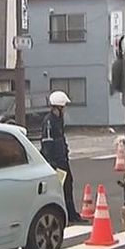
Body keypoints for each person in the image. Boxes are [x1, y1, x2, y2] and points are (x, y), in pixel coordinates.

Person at [40, 90, 85, 224]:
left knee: (68, 185)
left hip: (63, 159)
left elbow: (61, 139)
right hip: (56, 162)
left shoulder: (59, 120)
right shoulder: (49, 121)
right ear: (58, 107)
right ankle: (66, 216)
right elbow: (47, 143)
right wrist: (52, 163)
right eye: (64, 106)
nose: (65, 109)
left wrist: (65, 150)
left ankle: (72, 214)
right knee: (60, 188)